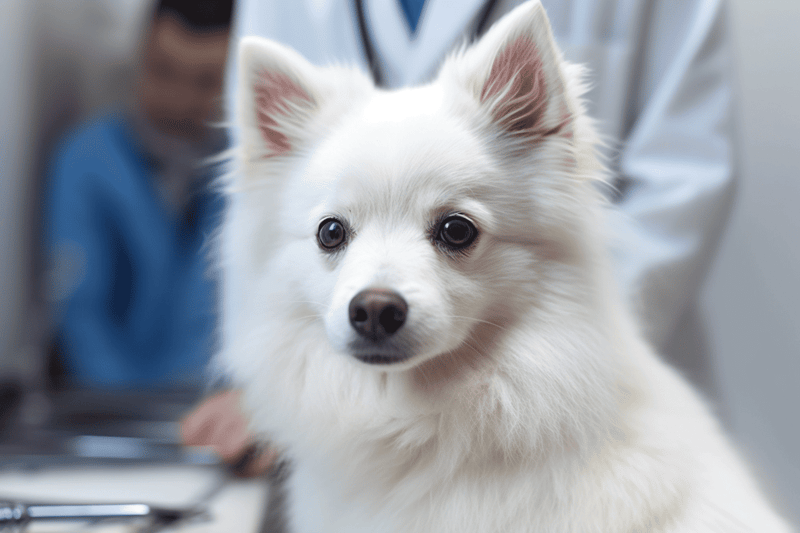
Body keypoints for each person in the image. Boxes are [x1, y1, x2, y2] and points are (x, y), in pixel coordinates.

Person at [182, 0, 736, 474]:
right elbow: (265, 200)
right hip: (342, 446)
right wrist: (262, 393)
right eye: (334, 233)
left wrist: (580, 358)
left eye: (454, 231)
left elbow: (684, 177)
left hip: (593, 417)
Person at [44, 0, 235, 388]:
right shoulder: (86, 160)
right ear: (139, 57)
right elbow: (80, 314)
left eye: (204, 81)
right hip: (105, 408)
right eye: (163, 71)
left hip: (212, 410)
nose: (179, 99)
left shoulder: (246, 171)